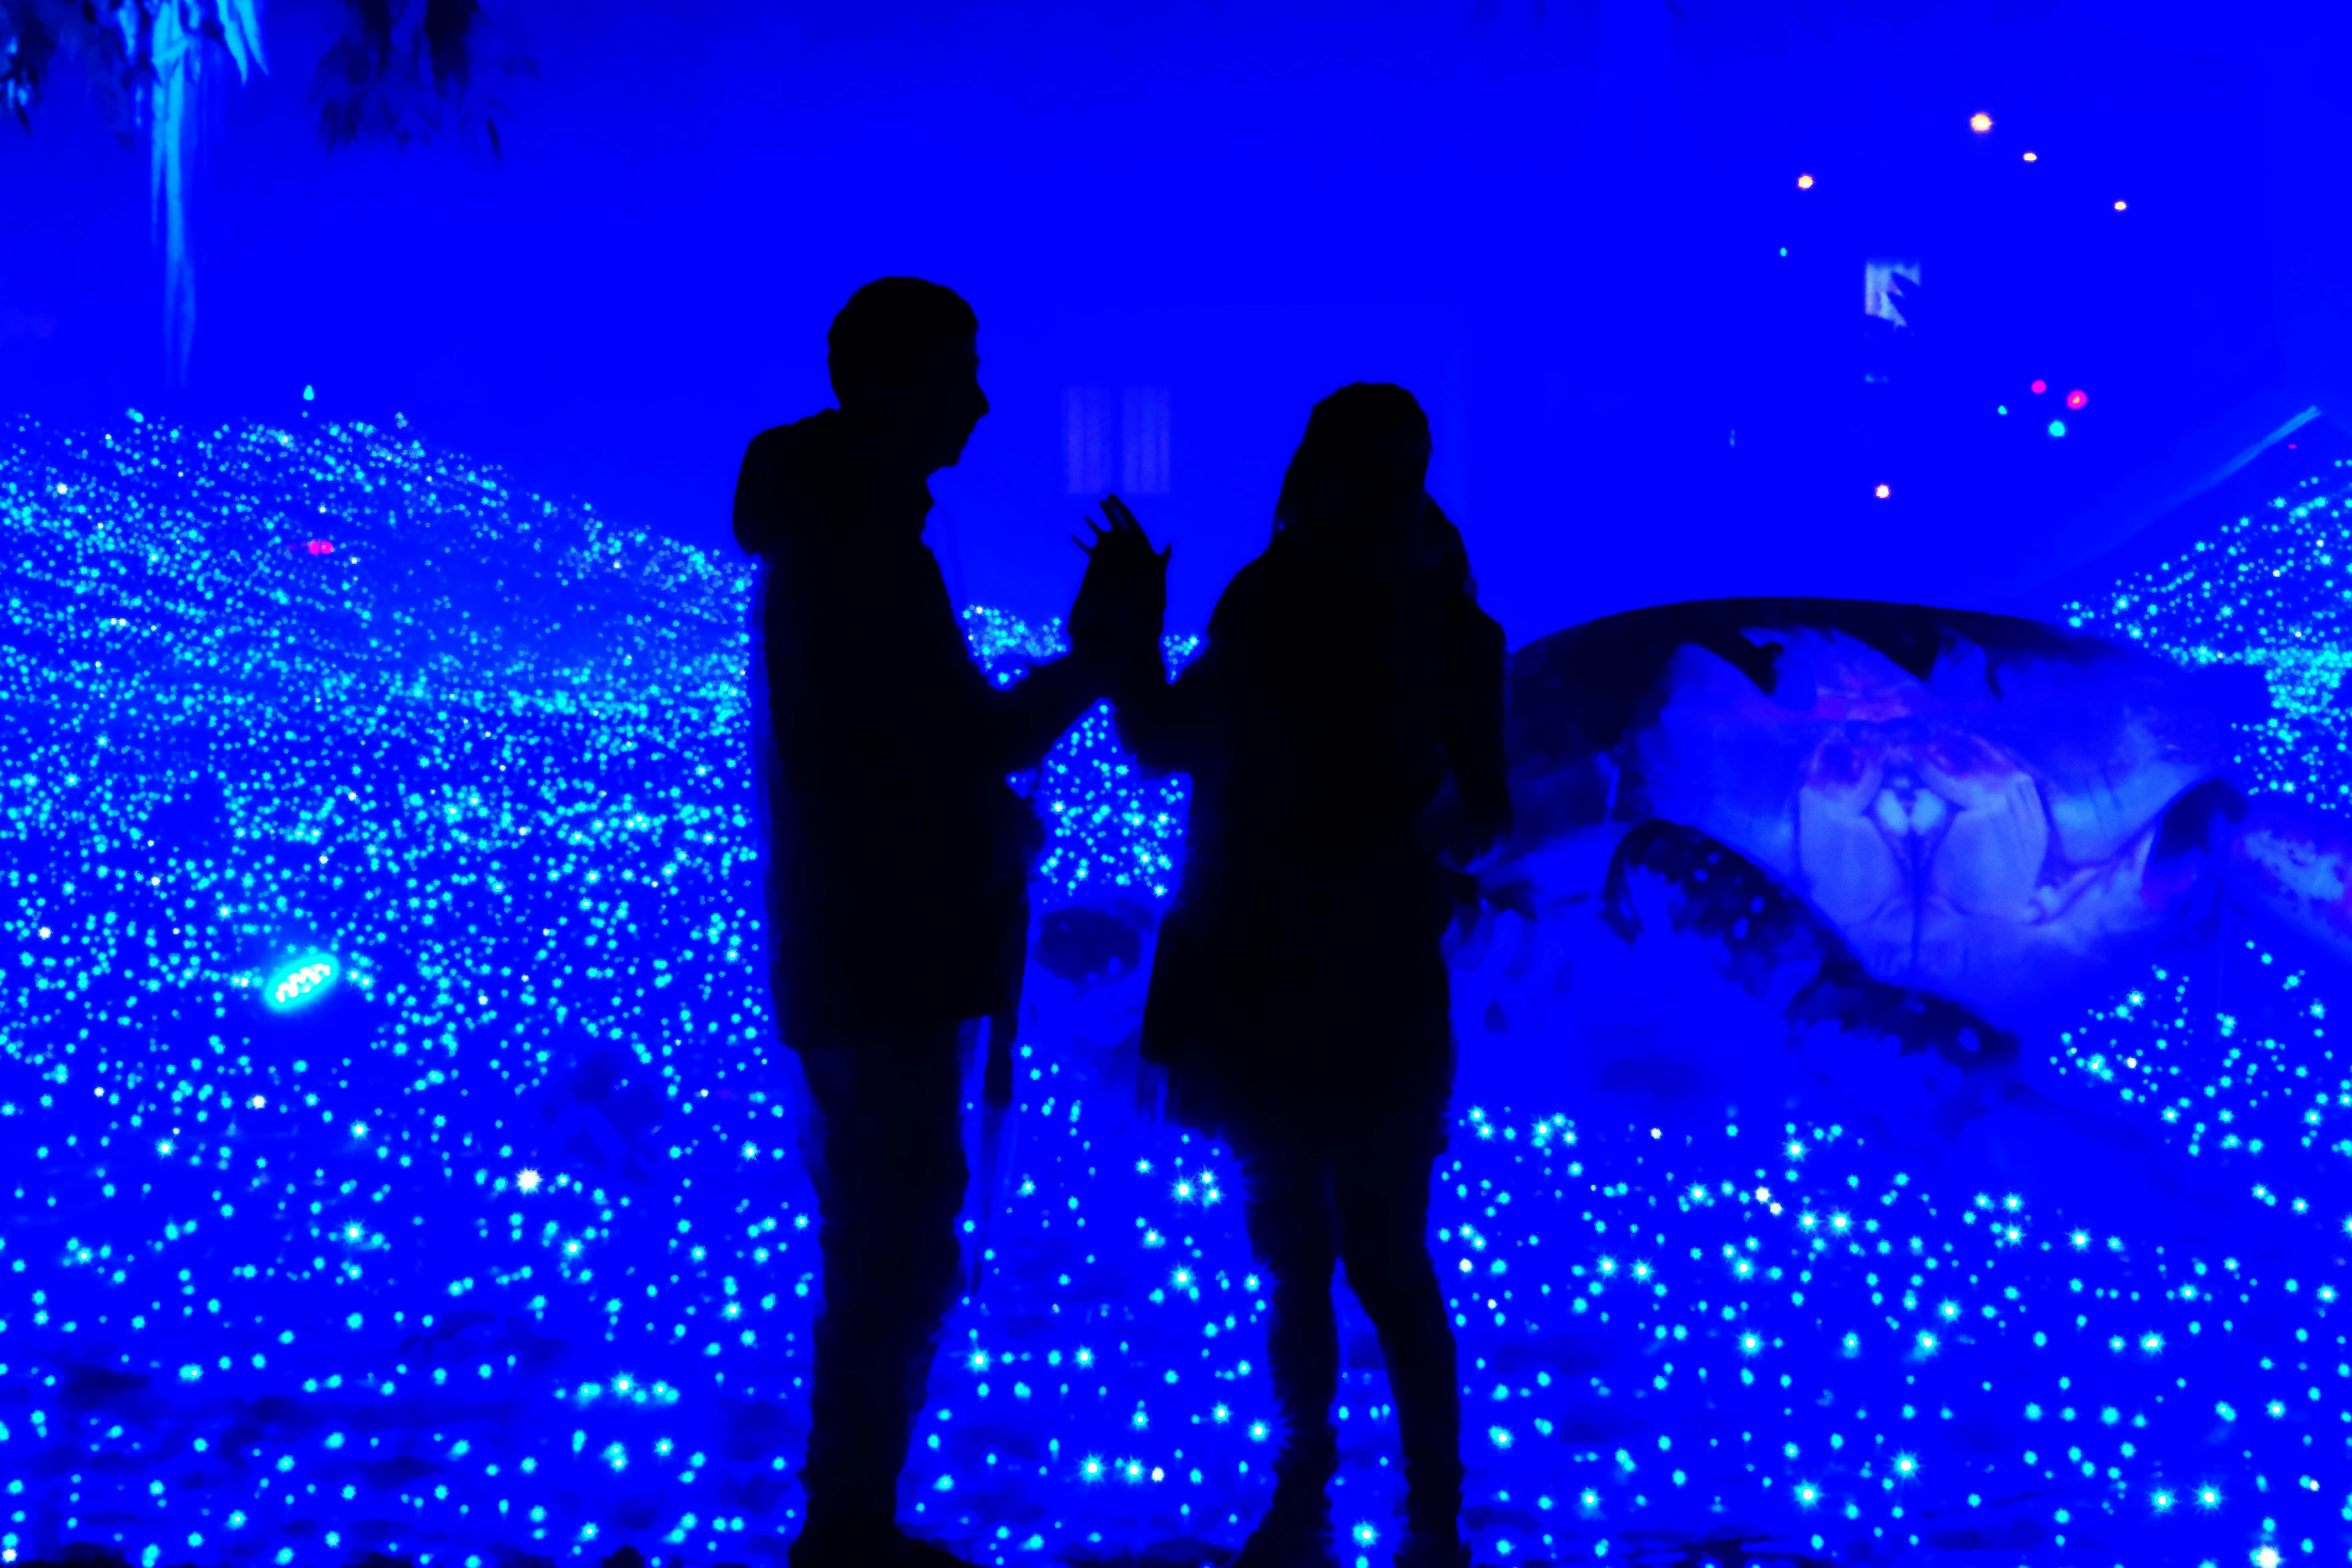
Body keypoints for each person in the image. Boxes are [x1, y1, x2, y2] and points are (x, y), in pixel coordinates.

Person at [731, 276, 1150, 1568]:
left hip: (864, 940)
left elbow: (912, 752)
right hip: (884, 950)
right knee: (896, 1236)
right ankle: (848, 1528)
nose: (978, 397)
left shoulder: (847, 541)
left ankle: (852, 1515)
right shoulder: (863, 553)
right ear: (892, 382)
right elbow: (960, 736)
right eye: (957, 369)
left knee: (889, 1228)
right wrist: (1096, 655)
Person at [1096, 383, 1511, 1568]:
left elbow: (1167, 742)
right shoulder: (1375, 615)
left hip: (1298, 958)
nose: (1384, 489)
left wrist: (1127, 650)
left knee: (1347, 1245)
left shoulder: (1294, 605)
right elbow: (1483, 808)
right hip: (1320, 961)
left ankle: (1347, 1498)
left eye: (1399, 465)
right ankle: (1386, 1505)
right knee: (1333, 1244)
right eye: (1371, 464)